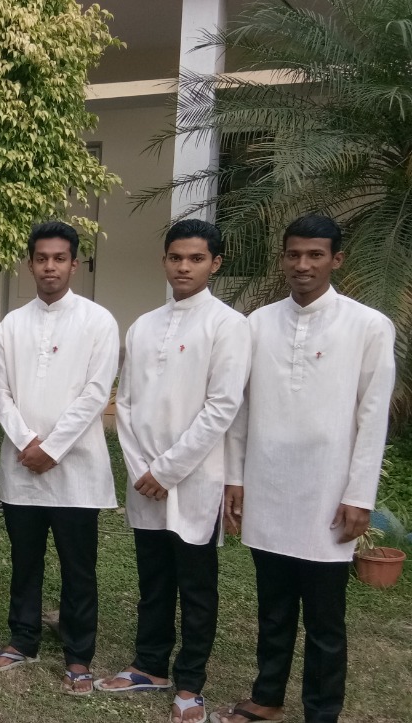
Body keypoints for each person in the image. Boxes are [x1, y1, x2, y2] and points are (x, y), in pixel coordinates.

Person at [215, 215, 396, 723]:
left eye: (315, 255)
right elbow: (241, 408)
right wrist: (235, 477)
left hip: (328, 492)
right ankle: (267, 696)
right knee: (273, 607)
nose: (303, 265)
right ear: (282, 259)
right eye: (294, 254)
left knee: (324, 618)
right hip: (269, 485)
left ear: (337, 259)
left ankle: (321, 710)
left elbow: (372, 416)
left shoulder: (368, 326)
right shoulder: (258, 323)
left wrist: (359, 495)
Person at [99, 219, 251, 723]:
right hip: (146, 478)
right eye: (175, 257)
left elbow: (222, 406)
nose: (184, 267)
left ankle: (190, 683)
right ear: (164, 260)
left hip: (194, 478)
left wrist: (167, 470)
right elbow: (127, 403)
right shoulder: (144, 325)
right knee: (154, 578)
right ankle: (149, 665)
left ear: (215, 263)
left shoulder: (228, 325)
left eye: (196, 259)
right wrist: (143, 468)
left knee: (196, 585)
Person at [0, 221, 119, 695]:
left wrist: (54, 447)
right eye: (41, 258)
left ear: (74, 264)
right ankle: (24, 639)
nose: (49, 267)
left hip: (76, 469)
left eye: (59, 258)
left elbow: (96, 392)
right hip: (23, 464)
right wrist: (27, 442)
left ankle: (78, 655)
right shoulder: (11, 324)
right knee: (25, 560)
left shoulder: (98, 321)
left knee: (78, 567)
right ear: (30, 264)